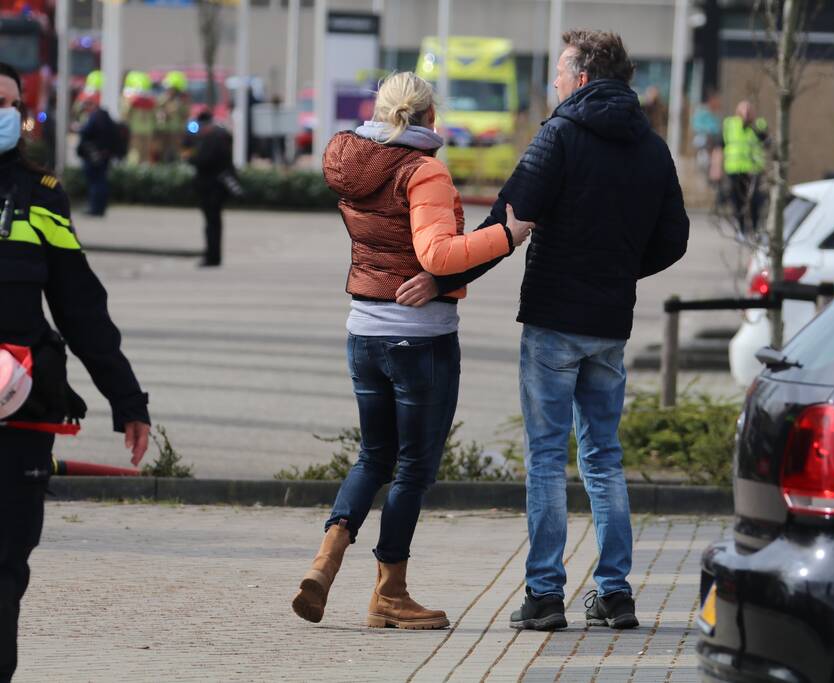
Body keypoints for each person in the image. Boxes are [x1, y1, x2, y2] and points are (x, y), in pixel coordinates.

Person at [397, 30, 689, 632]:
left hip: (555, 321)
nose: (554, 82)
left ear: (582, 77)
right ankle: (615, 593)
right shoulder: (652, 147)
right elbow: (675, 239)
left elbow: (508, 220)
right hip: (610, 325)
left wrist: (444, 274)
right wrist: (617, 271)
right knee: (604, 458)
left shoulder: (560, 135)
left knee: (548, 458)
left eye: (559, 72)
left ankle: (545, 595)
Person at [290, 72, 533, 630]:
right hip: (416, 340)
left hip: (364, 331)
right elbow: (437, 252)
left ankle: (326, 562)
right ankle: (390, 594)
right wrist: (508, 235)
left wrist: (431, 273)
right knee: (413, 469)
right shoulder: (422, 169)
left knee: (372, 456)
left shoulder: (355, 160)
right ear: (429, 116)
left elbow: (402, 248)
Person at [0, 62, 150, 683]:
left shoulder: (40, 194)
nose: (1, 111)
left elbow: (80, 304)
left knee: (6, 565)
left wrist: (127, 399)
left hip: (21, 409)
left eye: (8, 101)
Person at [188, 110, 233, 267]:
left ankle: (212, 256)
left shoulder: (214, 138)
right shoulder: (220, 136)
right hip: (215, 187)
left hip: (212, 187)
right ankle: (213, 255)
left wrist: (192, 159)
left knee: (212, 224)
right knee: (213, 223)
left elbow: (205, 160)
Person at [722, 100, 768, 235]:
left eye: (749, 111)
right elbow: (721, 145)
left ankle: (754, 228)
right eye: (743, 110)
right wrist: (716, 168)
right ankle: (741, 230)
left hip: (753, 170)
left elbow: (766, 141)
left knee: (755, 201)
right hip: (734, 169)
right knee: (737, 201)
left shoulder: (758, 125)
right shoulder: (730, 124)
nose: (746, 114)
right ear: (737, 112)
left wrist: (753, 126)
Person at [75, 95, 118, 216]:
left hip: (95, 156)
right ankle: (100, 208)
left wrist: (80, 128)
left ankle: (95, 208)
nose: (86, 109)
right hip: (103, 155)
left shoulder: (96, 117)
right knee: (101, 181)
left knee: (96, 182)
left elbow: (86, 132)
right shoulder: (105, 117)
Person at [155, 71, 190, 163]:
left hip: (176, 131)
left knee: (176, 153)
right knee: (163, 153)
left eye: (171, 89)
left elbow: (185, 114)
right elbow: (157, 110)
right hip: (164, 130)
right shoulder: (163, 99)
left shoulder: (182, 101)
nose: (169, 91)